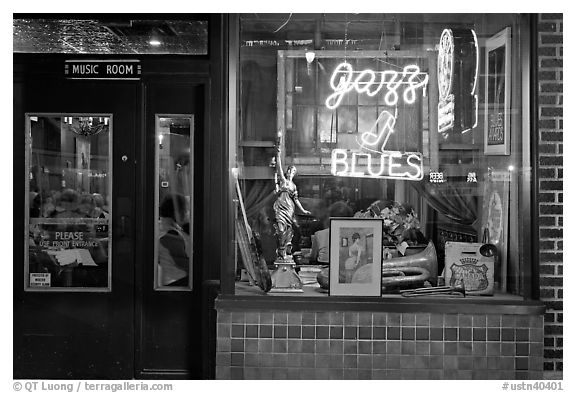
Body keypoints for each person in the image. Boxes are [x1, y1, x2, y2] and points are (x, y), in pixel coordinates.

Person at [272, 146, 310, 261]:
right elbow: (278, 168)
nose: (291, 173)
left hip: (289, 208)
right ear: (287, 171)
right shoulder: (284, 181)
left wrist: (303, 210)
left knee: (288, 230)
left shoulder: (293, 186)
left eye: (293, 171)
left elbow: (296, 199)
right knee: (281, 229)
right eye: (290, 170)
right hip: (280, 207)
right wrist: (278, 155)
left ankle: (285, 250)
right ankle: (281, 249)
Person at [157, 193, 191, 287]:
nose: (187, 213)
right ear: (178, 212)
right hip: (176, 284)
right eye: (186, 210)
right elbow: (186, 263)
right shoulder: (171, 235)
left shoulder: (160, 228)